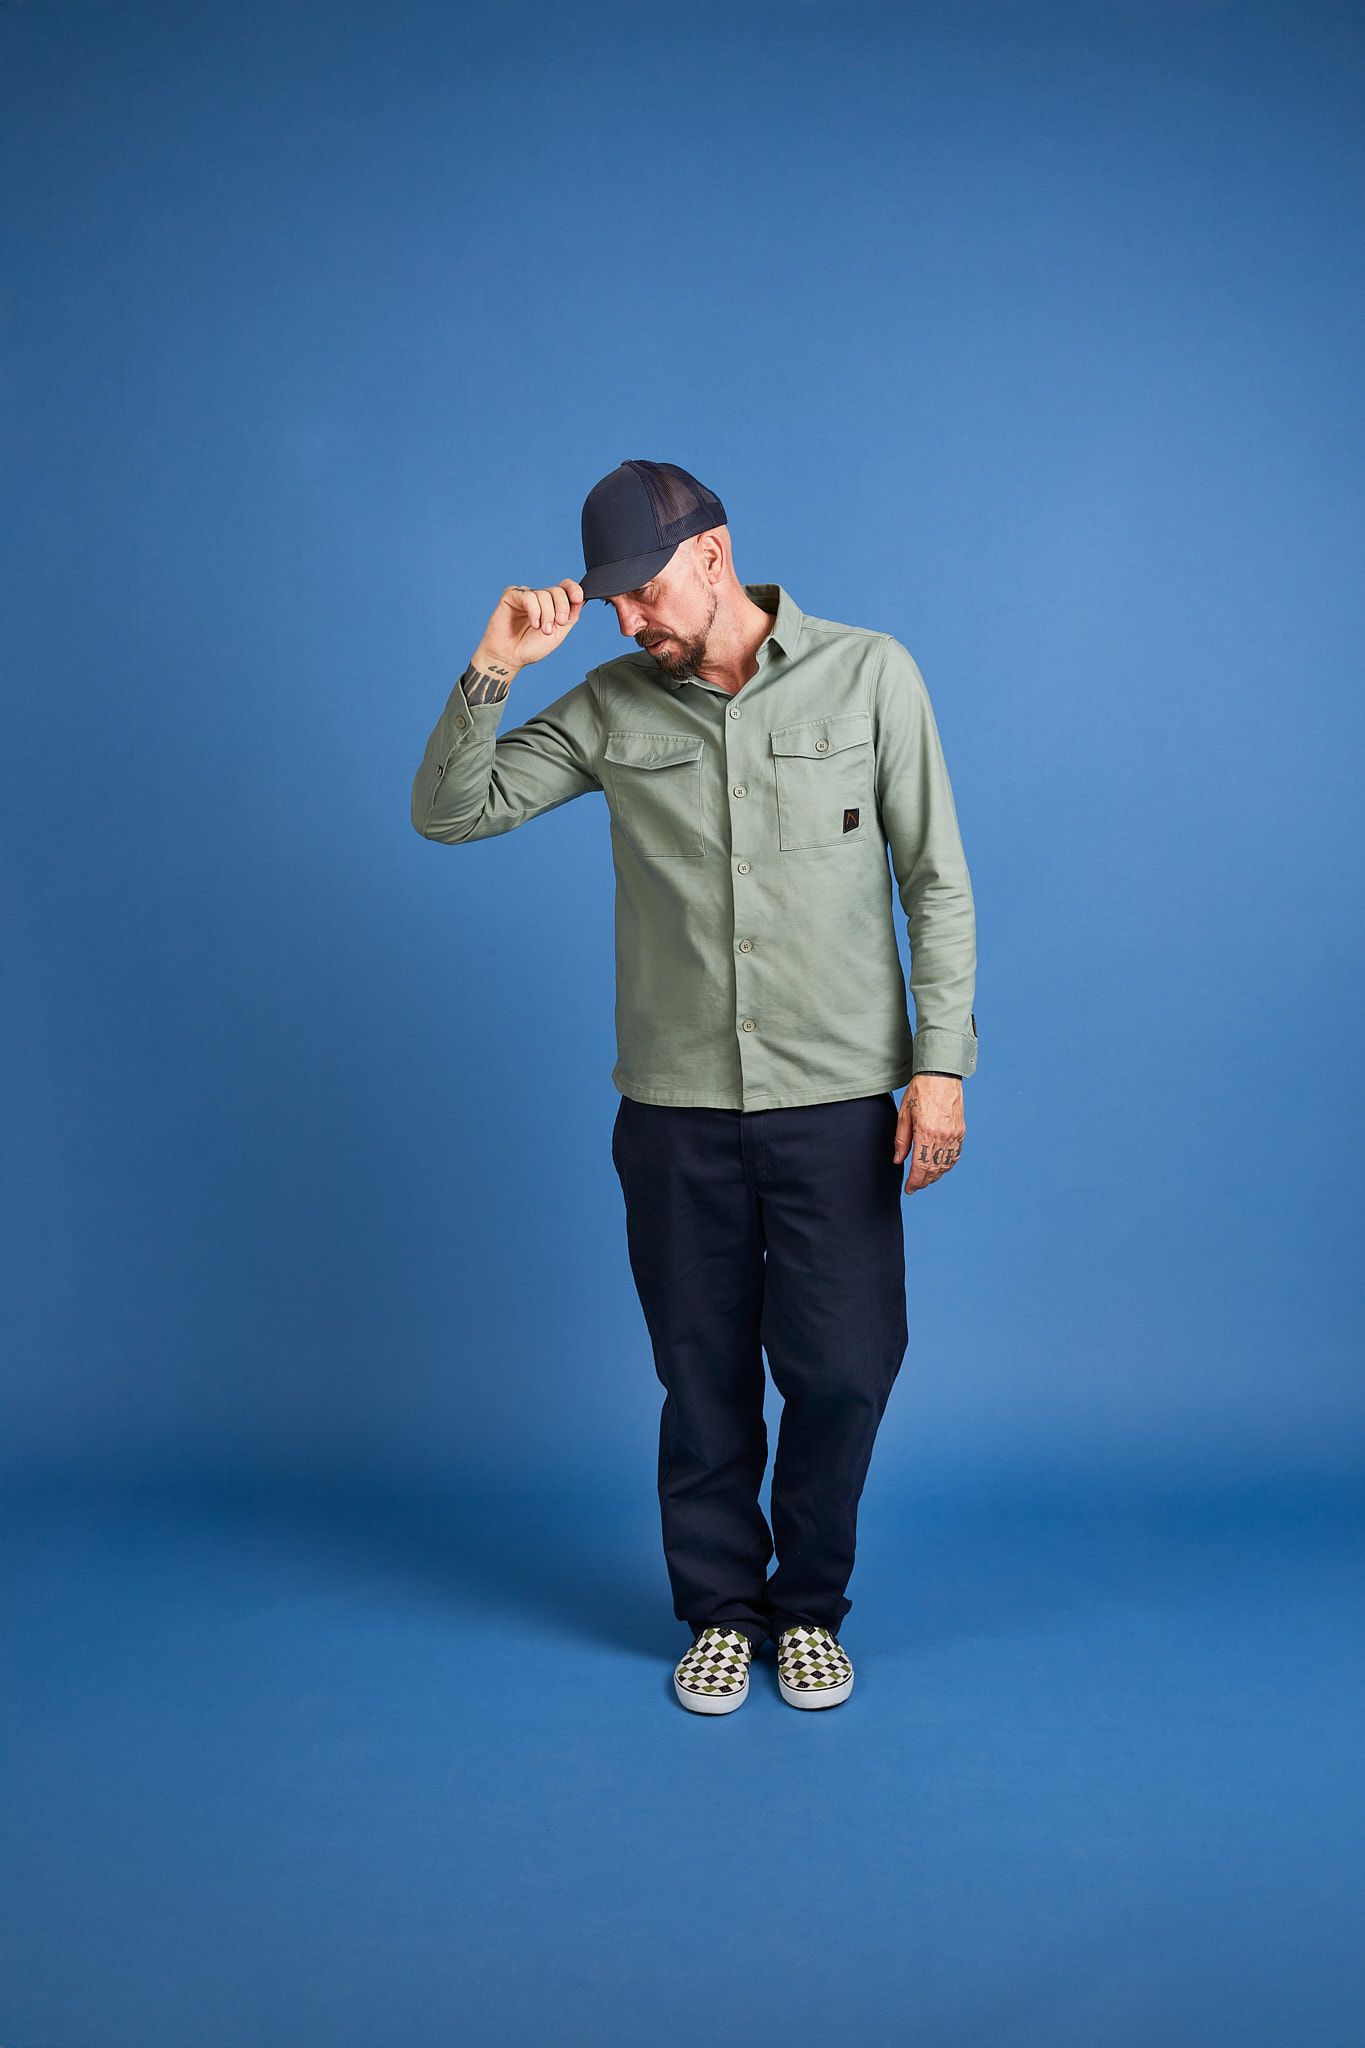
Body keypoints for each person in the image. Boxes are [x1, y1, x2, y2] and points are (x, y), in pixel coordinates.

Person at [410, 459, 978, 1715]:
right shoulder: (613, 705)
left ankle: (808, 1607)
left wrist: (939, 1066)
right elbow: (451, 812)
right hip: (675, 1109)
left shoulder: (871, 673)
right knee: (702, 1372)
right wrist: (496, 663)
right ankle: (722, 1611)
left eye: (645, 591)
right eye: (611, 600)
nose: (628, 620)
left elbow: (934, 880)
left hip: (839, 1101)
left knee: (845, 1367)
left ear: (713, 556)